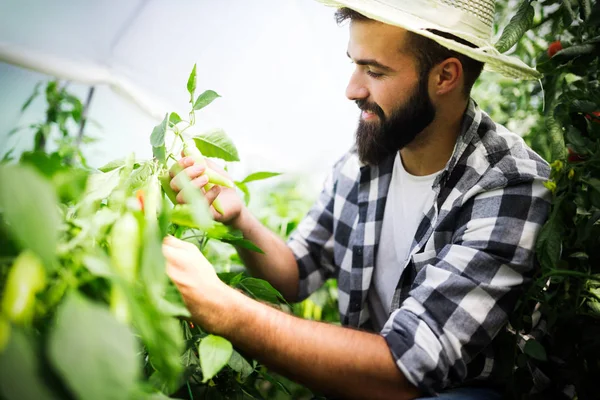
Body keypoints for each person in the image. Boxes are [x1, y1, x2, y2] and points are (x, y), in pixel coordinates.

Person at [161, 0, 551, 398]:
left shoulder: (509, 184)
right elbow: (296, 273)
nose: (352, 89)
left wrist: (226, 310)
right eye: (354, 63)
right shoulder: (370, 155)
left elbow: (406, 369)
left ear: (445, 77)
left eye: (375, 71)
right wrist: (238, 218)